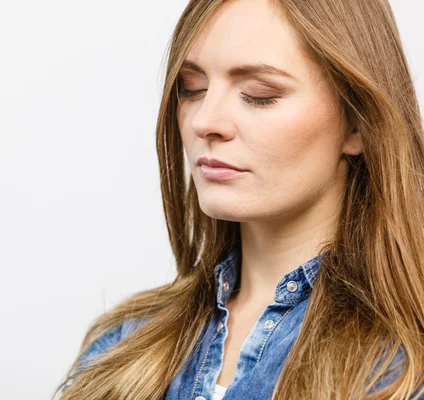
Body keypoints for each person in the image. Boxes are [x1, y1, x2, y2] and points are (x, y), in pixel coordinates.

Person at [55, 0, 424, 398]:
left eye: (258, 94)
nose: (204, 121)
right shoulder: (124, 343)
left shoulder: (402, 370)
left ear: (358, 123)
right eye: (191, 89)